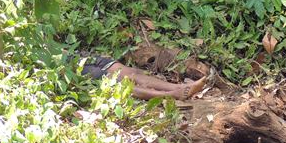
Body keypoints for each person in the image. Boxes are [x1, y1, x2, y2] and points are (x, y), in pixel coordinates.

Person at [80, 55, 208, 100]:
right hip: (73, 69)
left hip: (78, 58)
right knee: (119, 82)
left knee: (130, 72)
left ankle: (178, 87)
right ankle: (169, 95)